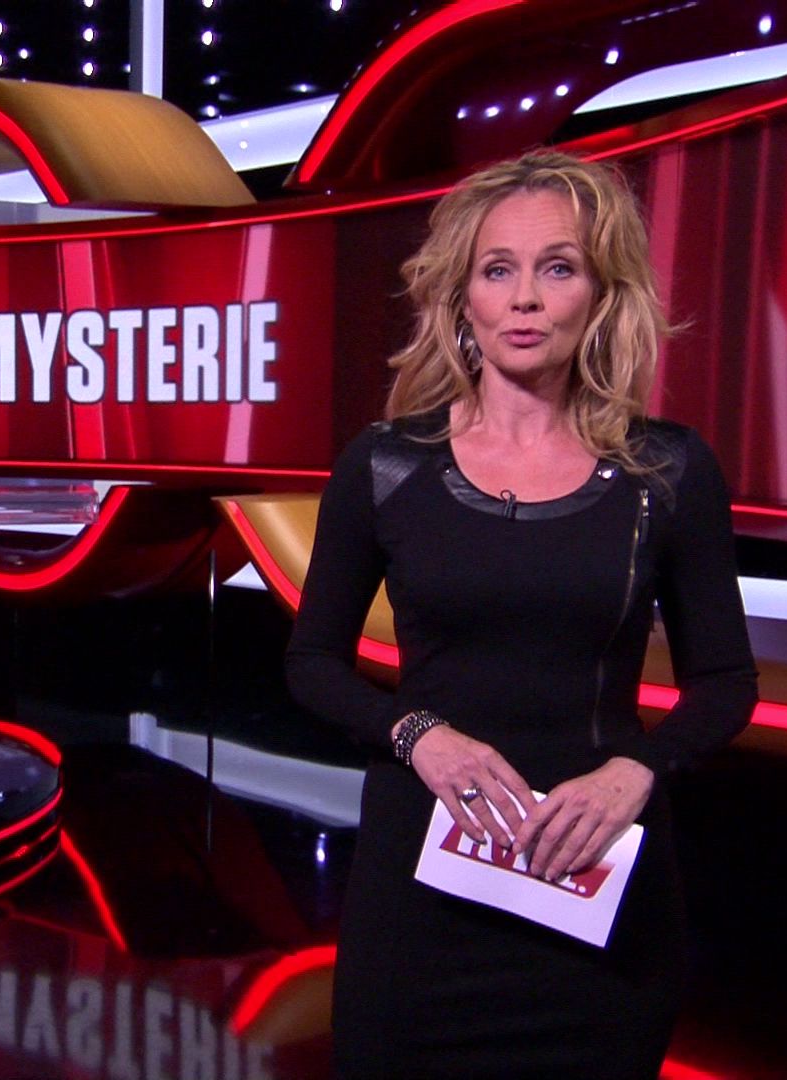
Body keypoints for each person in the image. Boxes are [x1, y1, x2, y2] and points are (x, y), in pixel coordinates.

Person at [285, 150, 758, 1079]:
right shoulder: (387, 466)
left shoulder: (667, 472)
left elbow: (725, 681)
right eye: (498, 270)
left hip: (595, 896)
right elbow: (313, 664)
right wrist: (419, 735)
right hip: (421, 906)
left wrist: (638, 769)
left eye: (559, 267)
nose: (526, 298)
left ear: (601, 294)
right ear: (462, 297)